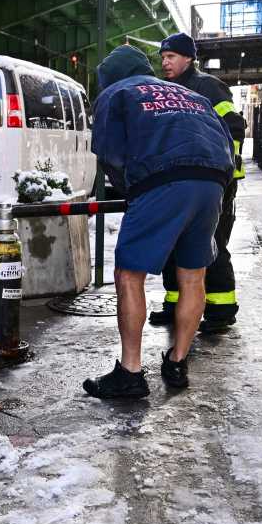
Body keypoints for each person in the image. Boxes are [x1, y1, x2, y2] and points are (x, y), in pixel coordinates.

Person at [83, 45, 234, 399]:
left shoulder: (116, 93)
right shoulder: (189, 94)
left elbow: (110, 154)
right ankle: (177, 362)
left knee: (129, 274)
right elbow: (226, 140)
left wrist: (132, 191)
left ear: (108, 78)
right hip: (212, 181)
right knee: (193, 276)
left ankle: (130, 373)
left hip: (162, 179)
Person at [150, 32, 246, 333]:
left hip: (214, 181)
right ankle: (174, 305)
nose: (165, 62)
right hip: (179, 179)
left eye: (171, 57)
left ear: (189, 58)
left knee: (211, 243)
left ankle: (221, 309)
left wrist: (224, 169)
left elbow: (234, 126)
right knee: (173, 242)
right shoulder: (165, 89)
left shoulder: (208, 86)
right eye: (163, 57)